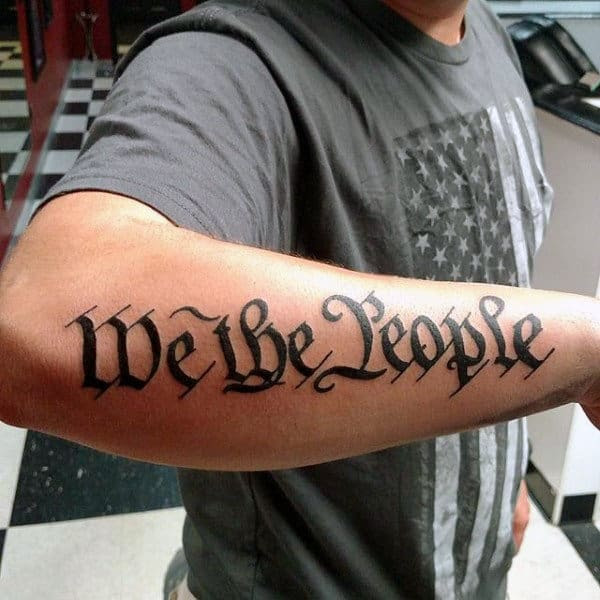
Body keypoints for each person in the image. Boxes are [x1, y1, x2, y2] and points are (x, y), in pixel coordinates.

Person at [0, 0, 598, 598]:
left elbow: (492, 269)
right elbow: (44, 322)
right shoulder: (234, 58)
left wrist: (504, 475)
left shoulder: (485, 31)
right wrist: (578, 352)